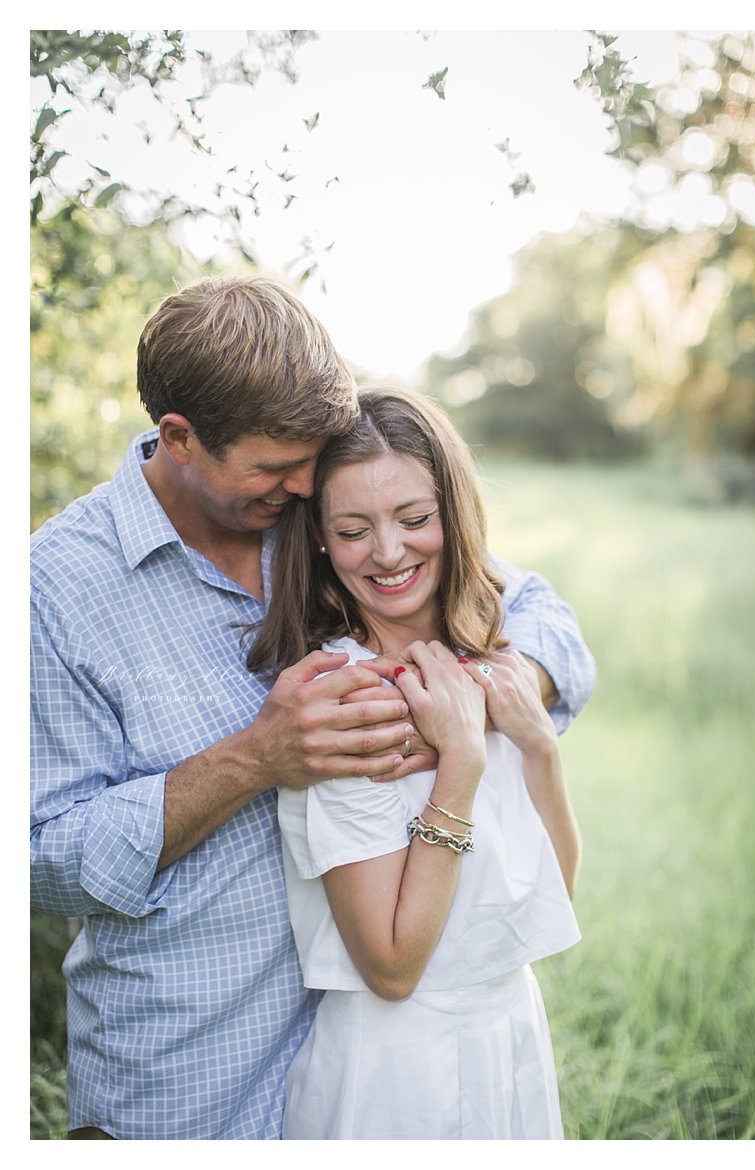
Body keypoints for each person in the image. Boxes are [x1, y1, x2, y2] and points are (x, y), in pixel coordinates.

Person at [30, 276, 595, 1140]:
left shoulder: (322, 519)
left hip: (376, 1044)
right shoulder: (56, 589)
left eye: (312, 461)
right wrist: (255, 758)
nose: (302, 485)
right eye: (276, 466)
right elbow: (38, 858)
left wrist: (465, 710)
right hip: (194, 1073)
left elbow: (536, 617)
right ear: (179, 439)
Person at [248, 387, 585, 1140]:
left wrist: (537, 745)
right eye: (354, 529)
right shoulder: (342, 701)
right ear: (323, 544)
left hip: (508, 1039)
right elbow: (393, 967)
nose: (390, 553)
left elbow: (554, 894)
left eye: (414, 518)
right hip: (395, 1076)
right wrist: (461, 760)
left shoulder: (491, 667)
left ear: (453, 517)